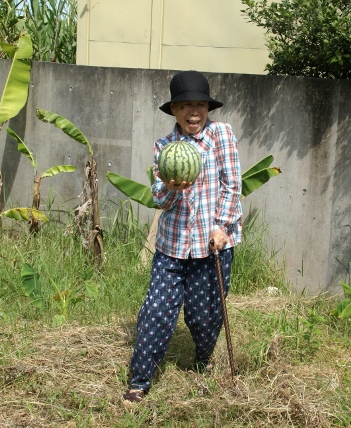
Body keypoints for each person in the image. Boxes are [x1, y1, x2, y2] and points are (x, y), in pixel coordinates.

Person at [123, 70, 243, 404]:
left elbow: (232, 184)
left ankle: (203, 359)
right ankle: (139, 381)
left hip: (213, 244)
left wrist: (222, 226)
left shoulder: (221, 135)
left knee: (204, 317)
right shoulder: (164, 147)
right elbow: (159, 199)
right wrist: (171, 188)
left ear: (208, 109)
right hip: (172, 246)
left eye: (200, 105)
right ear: (174, 110)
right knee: (156, 311)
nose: (194, 111)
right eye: (185, 105)